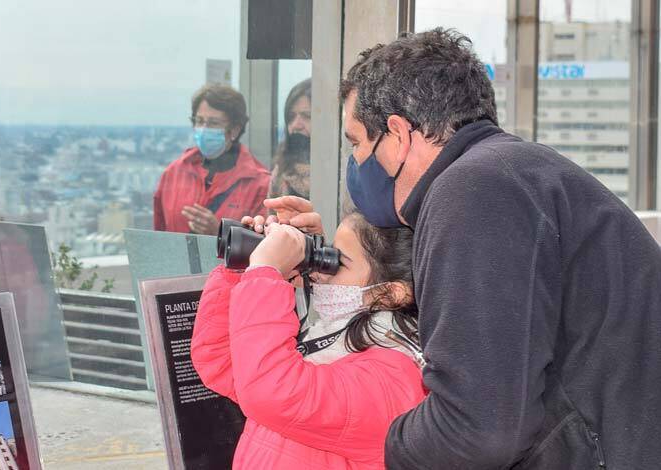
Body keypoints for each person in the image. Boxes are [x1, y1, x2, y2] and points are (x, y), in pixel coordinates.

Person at [251, 28, 661, 468]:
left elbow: (477, 428)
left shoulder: (472, 192)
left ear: (398, 135)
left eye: (356, 143)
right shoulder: (512, 173)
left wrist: (384, 442)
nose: (355, 163)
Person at [192, 211, 426, 469]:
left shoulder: (392, 380)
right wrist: (244, 269)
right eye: (327, 253)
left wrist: (265, 273)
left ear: (391, 293)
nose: (320, 272)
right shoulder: (336, 338)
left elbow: (270, 393)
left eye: (340, 262)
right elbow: (220, 361)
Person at [153, 84, 270, 235]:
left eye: (213, 123)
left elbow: (263, 248)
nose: (204, 129)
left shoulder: (260, 183)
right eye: (199, 121)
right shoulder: (174, 173)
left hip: (227, 259)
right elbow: (159, 236)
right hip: (176, 259)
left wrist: (219, 233)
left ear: (235, 129)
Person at [268, 78, 312, 200]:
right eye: (291, 117)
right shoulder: (281, 170)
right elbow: (271, 215)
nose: (296, 125)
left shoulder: (340, 174)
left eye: (307, 116)